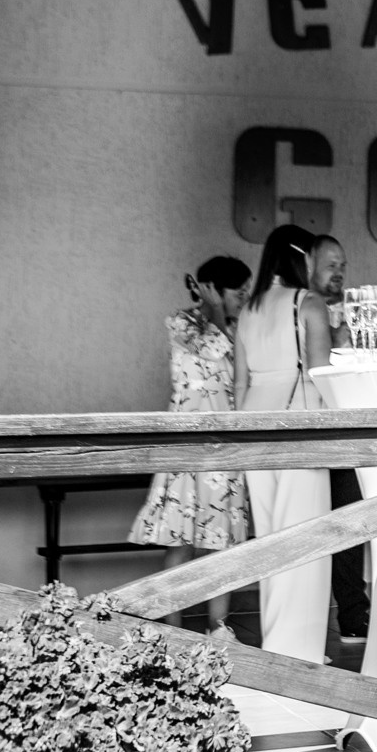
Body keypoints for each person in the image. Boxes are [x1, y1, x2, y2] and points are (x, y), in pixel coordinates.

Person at [130, 255, 254, 639]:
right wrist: (214, 307)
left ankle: (219, 628)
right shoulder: (181, 321)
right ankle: (173, 629)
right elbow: (210, 348)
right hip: (187, 440)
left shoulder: (240, 328)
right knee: (180, 536)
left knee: (224, 540)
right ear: (214, 290)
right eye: (238, 291)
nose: (243, 298)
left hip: (225, 441)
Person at [233, 223, 335, 664]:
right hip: (300, 424)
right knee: (306, 537)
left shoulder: (249, 309)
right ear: (301, 258)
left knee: (271, 538)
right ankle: (297, 649)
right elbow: (320, 372)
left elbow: (239, 383)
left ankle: (274, 640)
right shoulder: (309, 303)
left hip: (256, 423)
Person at [308, 233, 366, 644]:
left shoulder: (352, 312)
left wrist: (349, 338)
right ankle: (303, 624)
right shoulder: (298, 308)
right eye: (331, 264)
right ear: (308, 264)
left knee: (349, 522)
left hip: (345, 430)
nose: (339, 271)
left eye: (342, 264)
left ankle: (353, 614)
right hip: (307, 432)